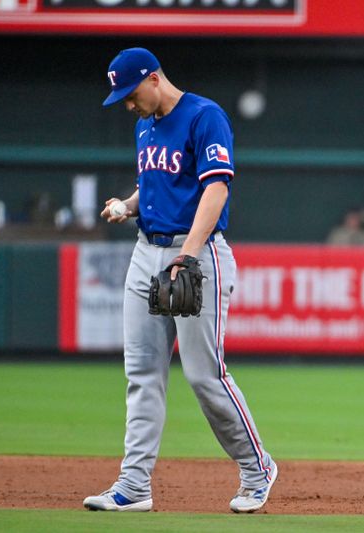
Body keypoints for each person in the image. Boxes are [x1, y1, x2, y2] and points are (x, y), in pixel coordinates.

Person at [83, 47, 277, 514]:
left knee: (204, 375)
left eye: (130, 94)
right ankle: (133, 486)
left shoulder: (204, 116)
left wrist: (187, 256)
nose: (128, 104)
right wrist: (127, 206)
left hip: (197, 254)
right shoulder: (143, 125)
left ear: (153, 79)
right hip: (145, 250)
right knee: (142, 373)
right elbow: (154, 183)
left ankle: (257, 468)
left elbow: (216, 187)